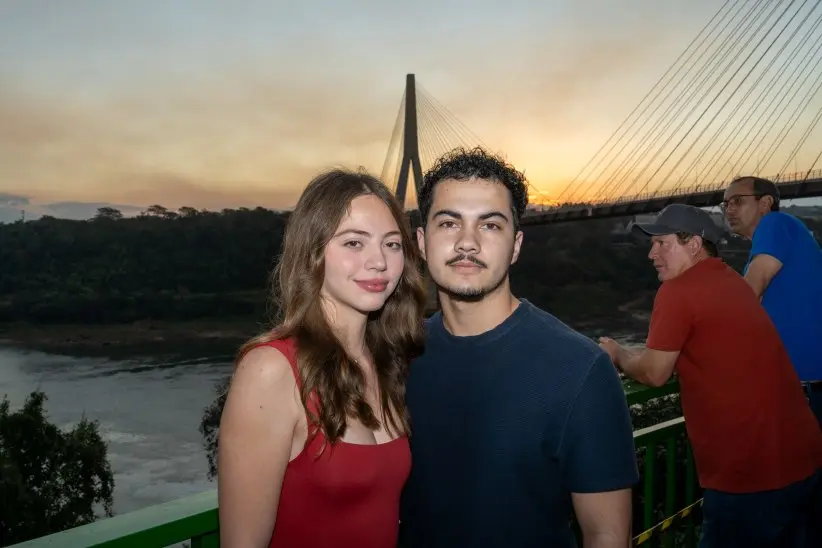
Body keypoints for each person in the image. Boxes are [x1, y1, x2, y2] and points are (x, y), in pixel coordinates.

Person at [400, 147, 639, 548]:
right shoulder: (397, 356)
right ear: (422, 242)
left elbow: (607, 535)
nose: (467, 242)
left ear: (515, 245)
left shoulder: (581, 369)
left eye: (491, 225)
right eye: (449, 223)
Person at [217, 169, 427, 548]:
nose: (379, 261)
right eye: (354, 243)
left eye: (392, 244)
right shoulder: (272, 370)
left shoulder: (385, 361)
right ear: (313, 252)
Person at [599, 203, 822, 548]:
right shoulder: (732, 280)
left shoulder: (678, 290)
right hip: (803, 455)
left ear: (693, 244)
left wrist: (618, 354)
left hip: (749, 471)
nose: (651, 254)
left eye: (662, 243)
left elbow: (655, 372)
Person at [722, 175, 822, 427]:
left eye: (737, 201)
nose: (729, 210)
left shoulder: (775, 223)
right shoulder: (778, 238)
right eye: (726, 204)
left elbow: (750, 292)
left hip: (810, 390)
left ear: (765, 203)